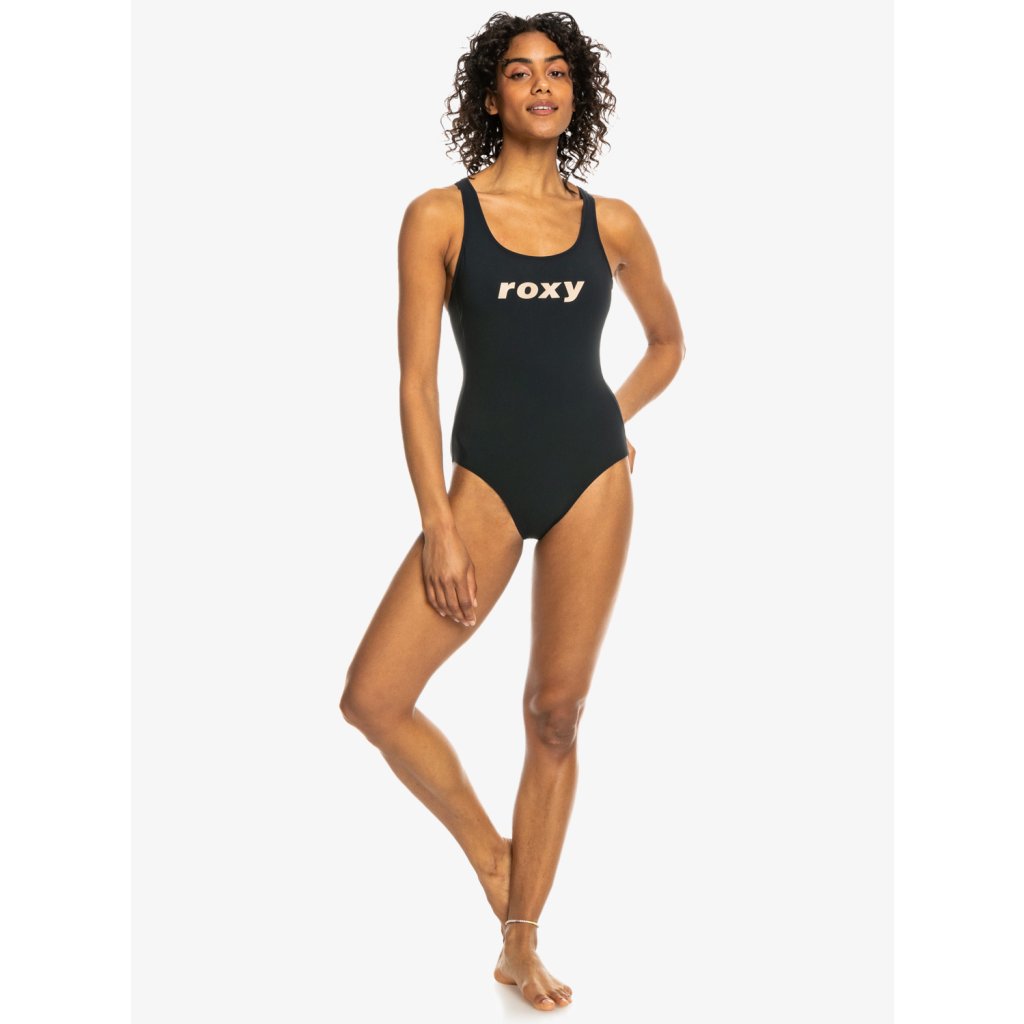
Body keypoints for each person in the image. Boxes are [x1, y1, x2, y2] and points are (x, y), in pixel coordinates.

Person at [340, 11, 685, 1012]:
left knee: (555, 714)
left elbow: (668, 344)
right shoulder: (438, 216)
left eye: (558, 71)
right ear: (491, 96)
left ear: (578, 94)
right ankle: (498, 858)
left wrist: (608, 419)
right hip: (482, 481)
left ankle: (520, 942)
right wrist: (438, 522)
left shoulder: (613, 224)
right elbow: (415, 382)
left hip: (592, 481)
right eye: (521, 72)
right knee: (373, 697)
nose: (542, 85)